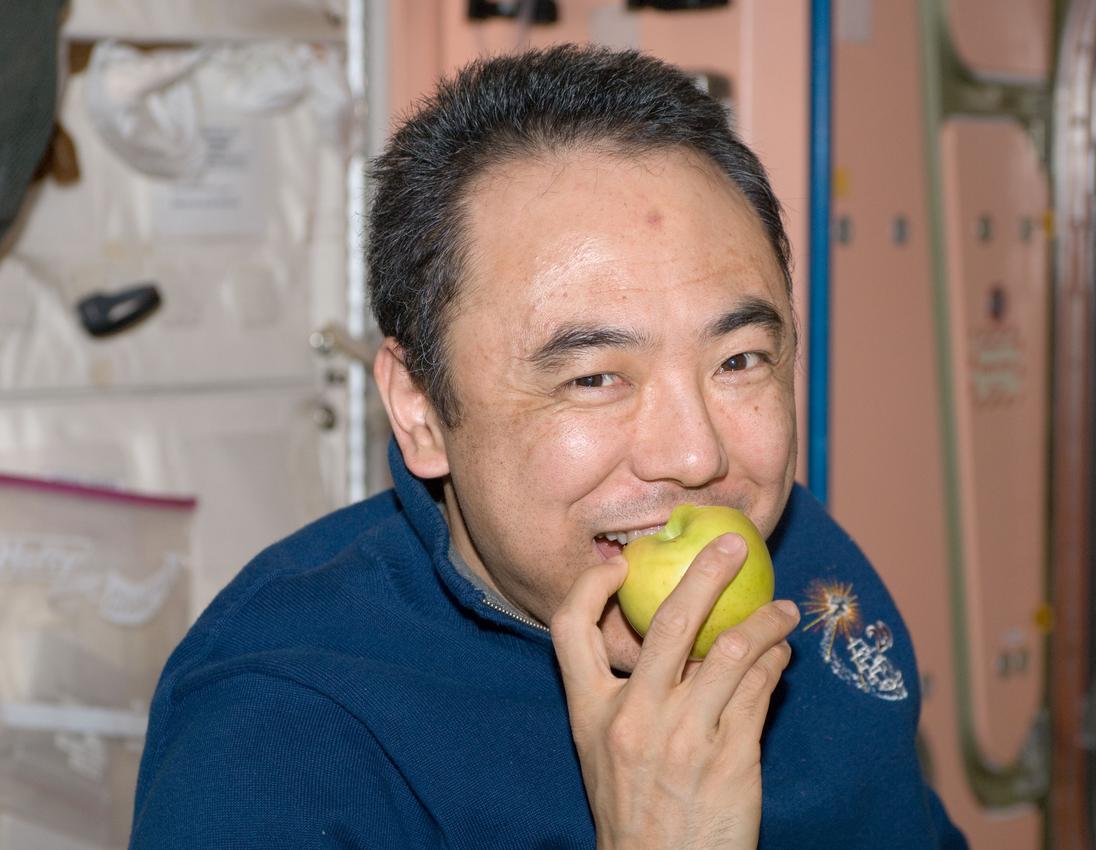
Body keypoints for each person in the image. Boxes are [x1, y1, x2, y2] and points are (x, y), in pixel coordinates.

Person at [129, 45, 968, 849]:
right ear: (420, 409)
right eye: (595, 377)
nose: (696, 456)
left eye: (738, 361)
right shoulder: (280, 736)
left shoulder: (801, 560)